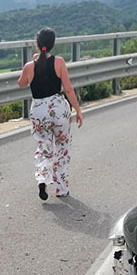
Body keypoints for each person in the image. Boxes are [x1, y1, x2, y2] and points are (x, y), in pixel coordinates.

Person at [17, 27, 83, 200]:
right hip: (59, 110)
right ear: (52, 44)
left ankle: (42, 179)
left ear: (37, 44)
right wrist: (77, 109)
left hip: (39, 112)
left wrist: (31, 65)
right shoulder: (59, 62)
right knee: (62, 150)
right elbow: (68, 89)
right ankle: (61, 188)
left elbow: (21, 84)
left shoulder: (29, 66)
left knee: (44, 149)